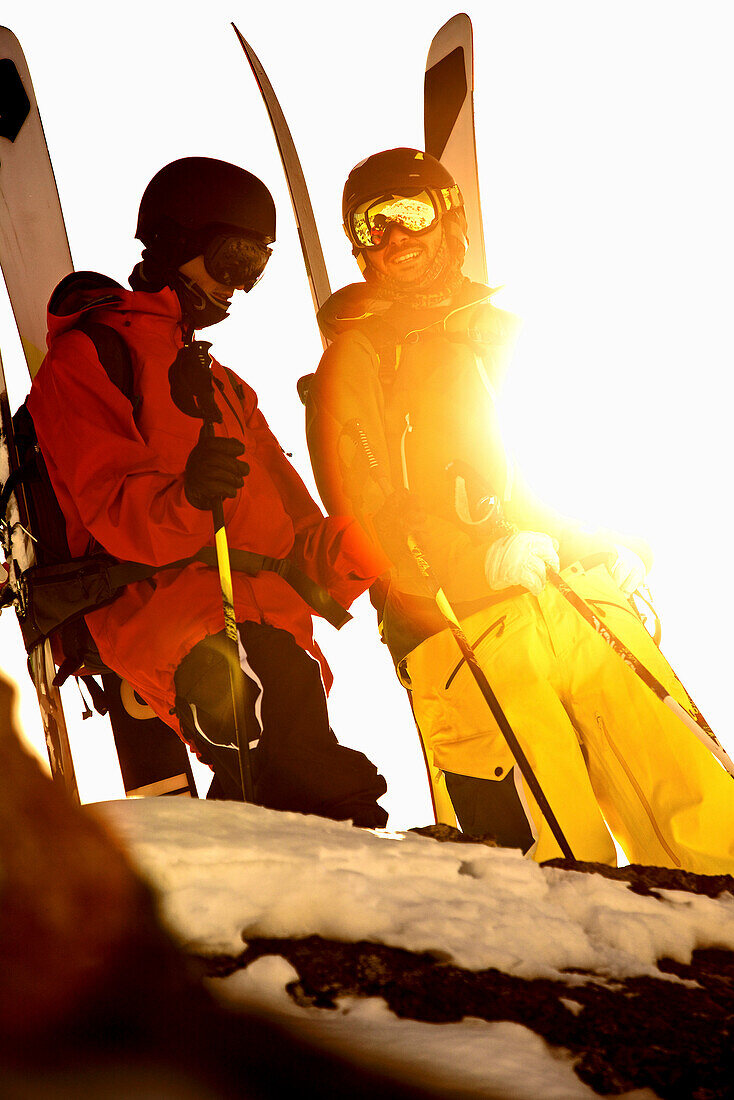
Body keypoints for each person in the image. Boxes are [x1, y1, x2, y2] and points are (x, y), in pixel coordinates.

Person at [303, 146, 734, 872]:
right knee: (553, 851)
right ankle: (583, 980)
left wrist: (614, 538)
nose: (394, 238)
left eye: (407, 214)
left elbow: (583, 443)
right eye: (372, 225)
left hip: (575, 591)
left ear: (449, 218)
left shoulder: (506, 336)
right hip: (458, 620)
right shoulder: (358, 357)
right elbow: (361, 503)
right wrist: (473, 560)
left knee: (692, 789)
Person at [28, 156, 389, 828]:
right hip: (169, 617)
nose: (240, 288)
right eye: (232, 260)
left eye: (256, 267)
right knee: (313, 772)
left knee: (284, 762)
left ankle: (242, 877)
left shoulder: (225, 383)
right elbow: (112, 509)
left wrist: (377, 541)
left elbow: (297, 536)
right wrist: (191, 498)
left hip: (272, 627)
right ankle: (351, 866)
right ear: (172, 243)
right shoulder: (91, 356)